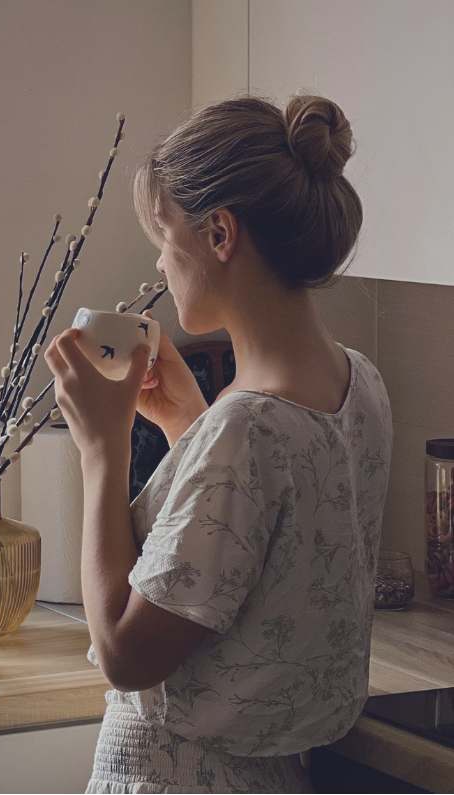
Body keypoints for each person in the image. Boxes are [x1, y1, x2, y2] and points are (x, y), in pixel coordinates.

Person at [45, 94, 393, 794]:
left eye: (164, 235)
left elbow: (125, 653)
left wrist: (101, 449)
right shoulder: (362, 383)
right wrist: (188, 424)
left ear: (221, 234)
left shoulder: (244, 431)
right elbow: (263, 544)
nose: (161, 262)